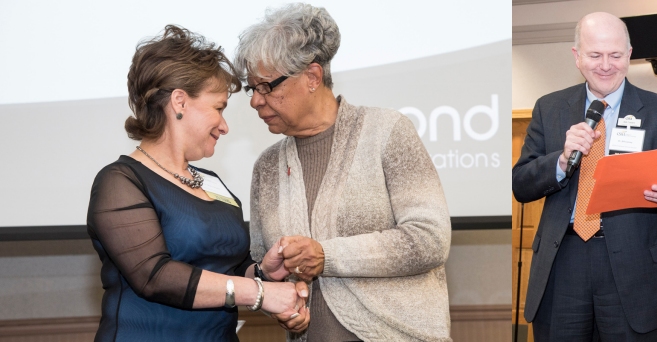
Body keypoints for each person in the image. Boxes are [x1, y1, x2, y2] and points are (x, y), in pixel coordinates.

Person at [235, 3, 452, 341]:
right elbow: (265, 266)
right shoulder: (267, 166)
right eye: (252, 89)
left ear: (312, 77)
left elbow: (429, 239)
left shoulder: (387, 131)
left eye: (267, 86)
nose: (255, 101)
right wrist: (280, 304)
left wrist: (326, 256)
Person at [86, 25, 308, 341]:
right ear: (180, 102)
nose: (225, 126)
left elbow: (227, 270)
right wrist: (258, 292)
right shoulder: (120, 181)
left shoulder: (211, 182)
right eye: (218, 108)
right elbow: (155, 276)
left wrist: (262, 273)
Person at [512, 12, 657, 341]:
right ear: (577, 56)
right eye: (595, 55)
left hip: (637, 268)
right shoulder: (549, 108)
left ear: (629, 55)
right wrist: (559, 160)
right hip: (563, 263)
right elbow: (521, 184)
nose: (605, 65)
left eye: (615, 55)